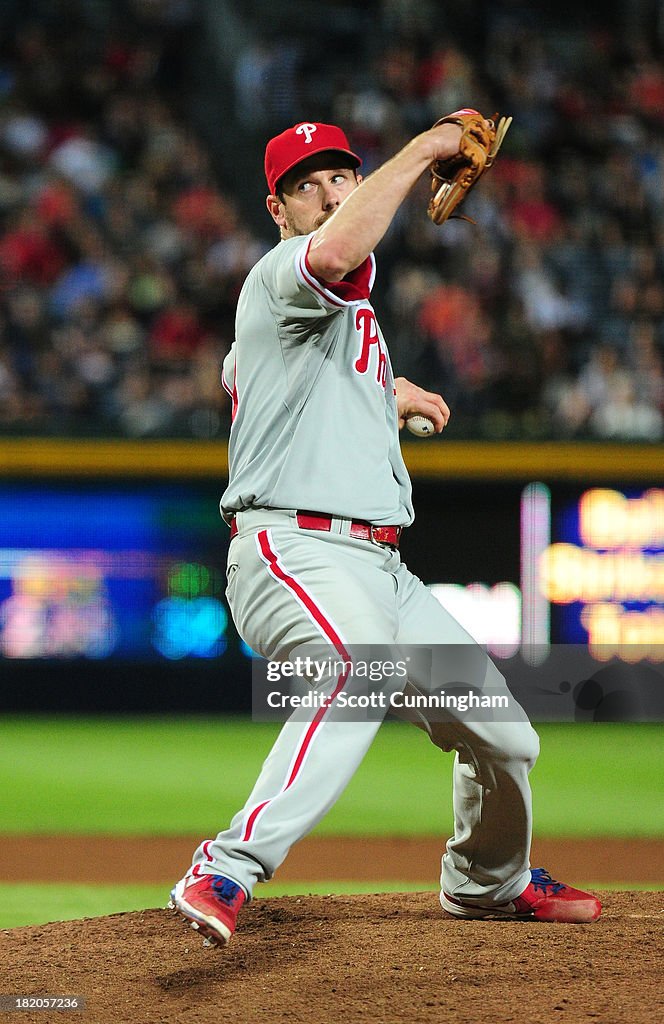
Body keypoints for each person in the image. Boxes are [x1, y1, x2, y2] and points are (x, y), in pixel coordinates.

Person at [169, 118, 602, 944]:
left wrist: (387, 394)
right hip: (293, 551)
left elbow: (279, 374)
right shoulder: (280, 275)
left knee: (506, 736)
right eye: (311, 185)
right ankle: (226, 866)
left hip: (381, 573)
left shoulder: (344, 324)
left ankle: (486, 880)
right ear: (278, 209)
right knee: (351, 674)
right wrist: (425, 149)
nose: (332, 194)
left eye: (344, 177)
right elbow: (331, 259)